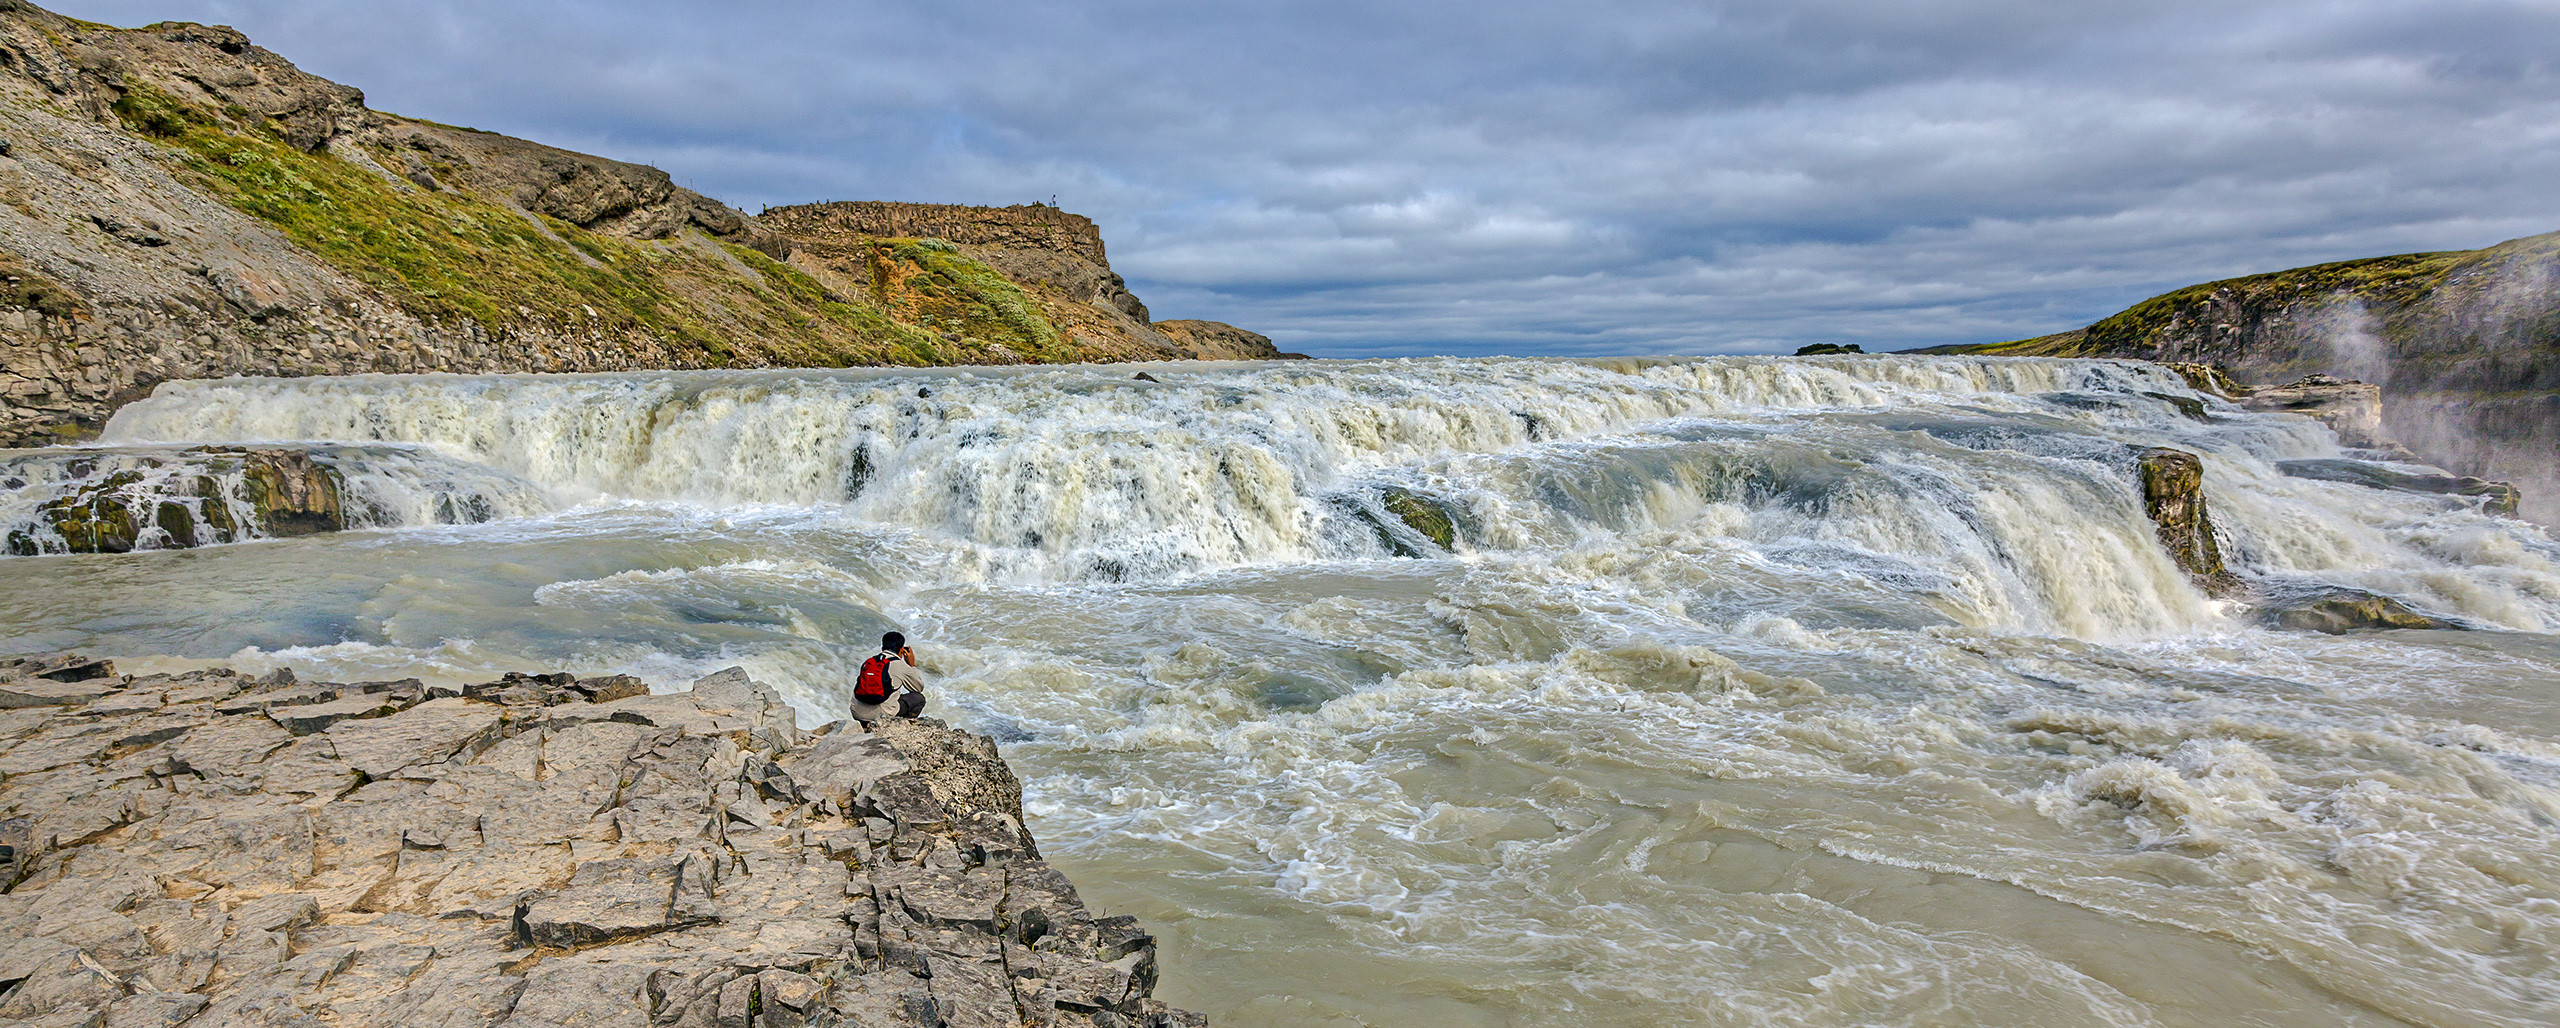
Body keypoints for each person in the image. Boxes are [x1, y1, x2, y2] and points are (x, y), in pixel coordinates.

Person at [851, 631, 926, 727]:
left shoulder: (869, 662)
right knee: (919, 698)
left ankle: (865, 725)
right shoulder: (900, 665)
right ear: (902, 650)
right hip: (882, 716)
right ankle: (902, 726)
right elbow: (918, 688)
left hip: (858, 714)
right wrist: (912, 665)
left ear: (882, 648)